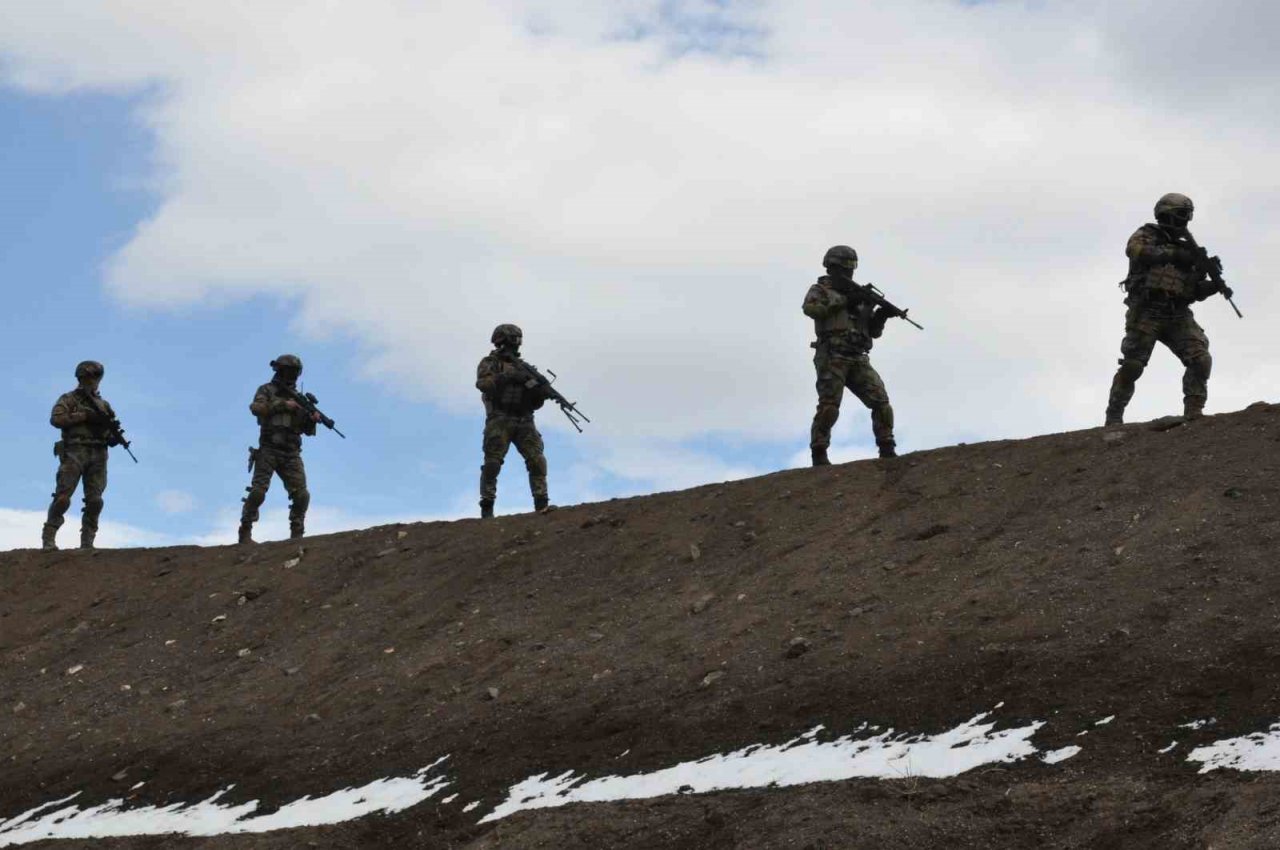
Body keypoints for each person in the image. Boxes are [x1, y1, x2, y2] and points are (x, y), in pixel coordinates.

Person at [1105, 193, 1233, 425]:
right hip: (1147, 311)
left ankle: (1194, 412)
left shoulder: (1189, 251)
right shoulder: (1147, 235)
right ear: (1168, 214)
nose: (1185, 221)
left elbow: (1191, 291)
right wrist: (1176, 255)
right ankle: (1114, 415)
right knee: (1133, 365)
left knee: (1200, 359)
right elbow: (1135, 251)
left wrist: (1213, 285)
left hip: (1177, 314)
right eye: (1182, 215)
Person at [803, 245, 902, 465]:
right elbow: (812, 310)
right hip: (832, 355)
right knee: (829, 405)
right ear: (831, 268)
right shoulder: (820, 290)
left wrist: (882, 315)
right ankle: (819, 451)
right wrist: (847, 300)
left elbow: (872, 332)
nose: (847, 274)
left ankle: (887, 446)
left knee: (881, 402)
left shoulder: (859, 295)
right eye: (842, 269)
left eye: (849, 270)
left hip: (857, 356)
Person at [238, 355, 321, 544]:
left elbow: (306, 431)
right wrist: (283, 405)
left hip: (291, 453)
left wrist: (311, 418)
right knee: (258, 492)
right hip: (269, 449)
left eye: (294, 372)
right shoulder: (267, 390)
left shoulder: (300, 399)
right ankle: (245, 529)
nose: (291, 375)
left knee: (302, 495)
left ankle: (297, 533)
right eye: (288, 371)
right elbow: (256, 408)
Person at [42, 361, 120, 551]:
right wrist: (82, 416)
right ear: (80, 378)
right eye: (88, 378)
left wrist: (112, 436)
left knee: (95, 500)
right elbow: (56, 419)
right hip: (75, 450)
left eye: (94, 378)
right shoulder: (69, 399)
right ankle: (49, 538)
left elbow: (109, 431)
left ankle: (87, 542)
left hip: (98, 453)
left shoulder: (104, 406)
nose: (91, 382)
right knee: (62, 497)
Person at [475, 324, 551, 518]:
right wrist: (508, 376)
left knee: (537, 461)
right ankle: (487, 505)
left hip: (524, 419)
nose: (517, 342)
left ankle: (541, 502)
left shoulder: (526, 368)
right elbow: (483, 384)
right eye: (514, 338)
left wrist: (539, 391)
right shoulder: (490, 362)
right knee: (492, 463)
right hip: (500, 418)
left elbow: (535, 403)